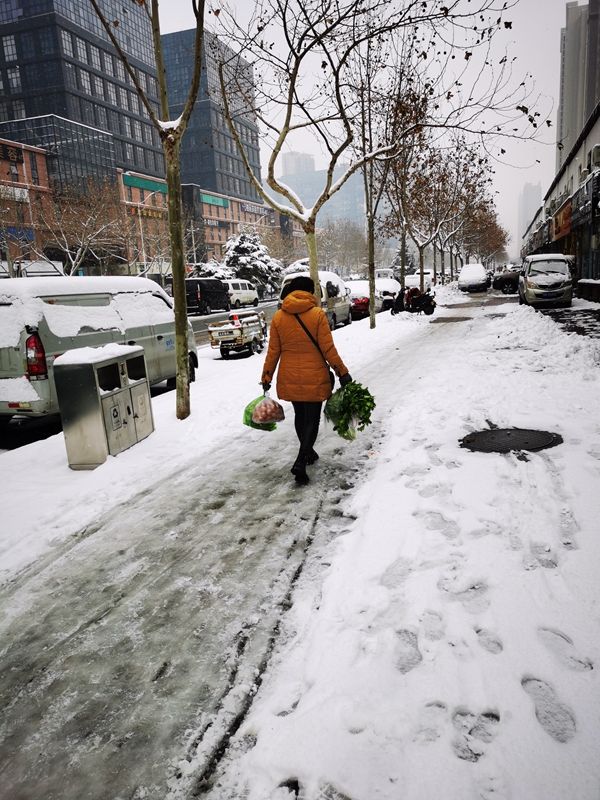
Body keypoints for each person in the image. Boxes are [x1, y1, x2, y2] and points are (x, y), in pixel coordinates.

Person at [260, 275, 352, 485]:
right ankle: (301, 460)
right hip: (315, 375)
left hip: (289, 376)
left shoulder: (278, 318)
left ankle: (308, 452)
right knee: (312, 419)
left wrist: (266, 377)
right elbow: (328, 349)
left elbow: (273, 351)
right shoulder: (317, 315)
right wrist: (342, 372)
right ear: (310, 292)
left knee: (300, 417)